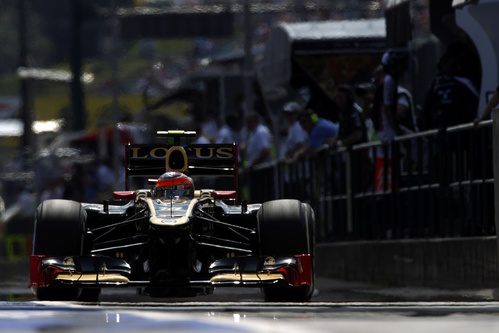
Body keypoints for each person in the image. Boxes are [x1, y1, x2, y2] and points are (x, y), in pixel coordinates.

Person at [422, 51, 479, 129]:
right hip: (442, 127)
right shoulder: (436, 84)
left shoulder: (462, 82)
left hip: (461, 125)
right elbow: (427, 106)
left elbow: (475, 100)